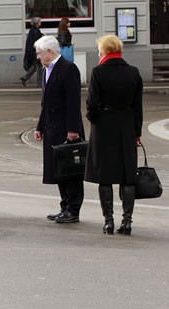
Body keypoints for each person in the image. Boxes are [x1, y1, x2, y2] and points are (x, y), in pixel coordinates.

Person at [84, 35, 143, 235]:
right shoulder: (133, 72)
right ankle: (127, 221)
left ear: (104, 51)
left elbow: (91, 104)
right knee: (127, 175)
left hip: (104, 126)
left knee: (105, 175)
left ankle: (108, 221)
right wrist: (137, 132)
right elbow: (138, 107)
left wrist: (95, 119)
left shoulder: (98, 72)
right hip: (127, 125)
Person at [33, 35, 85, 223]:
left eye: (39, 53)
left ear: (49, 52)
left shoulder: (68, 68)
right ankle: (64, 207)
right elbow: (45, 102)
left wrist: (73, 129)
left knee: (71, 170)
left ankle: (73, 209)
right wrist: (40, 126)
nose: (37, 57)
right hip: (52, 127)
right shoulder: (46, 69)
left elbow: (73, 101)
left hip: (66, 128)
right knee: (59, 170)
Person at [20, 17, 44, 87]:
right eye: (40, 21)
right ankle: (39, 84)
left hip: (32, 51)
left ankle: (24, 78)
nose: (40, 23)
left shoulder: (32, 30)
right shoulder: (36, 31)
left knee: (35, 66)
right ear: (37, 23)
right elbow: (37, 41)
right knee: (39, 66)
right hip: (35, 51)